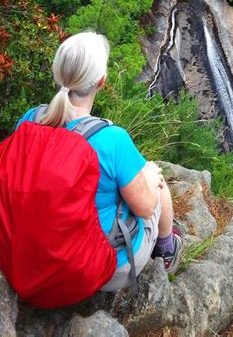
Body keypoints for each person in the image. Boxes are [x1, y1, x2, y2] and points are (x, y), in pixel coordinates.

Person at [15, 30, 184, 292]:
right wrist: (149, 178)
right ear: (102, 81)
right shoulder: (112, 140)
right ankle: (167, 249)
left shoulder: (30, 119)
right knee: (156, 182)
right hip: (98, 268)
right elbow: (145, 208)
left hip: (39, 253)